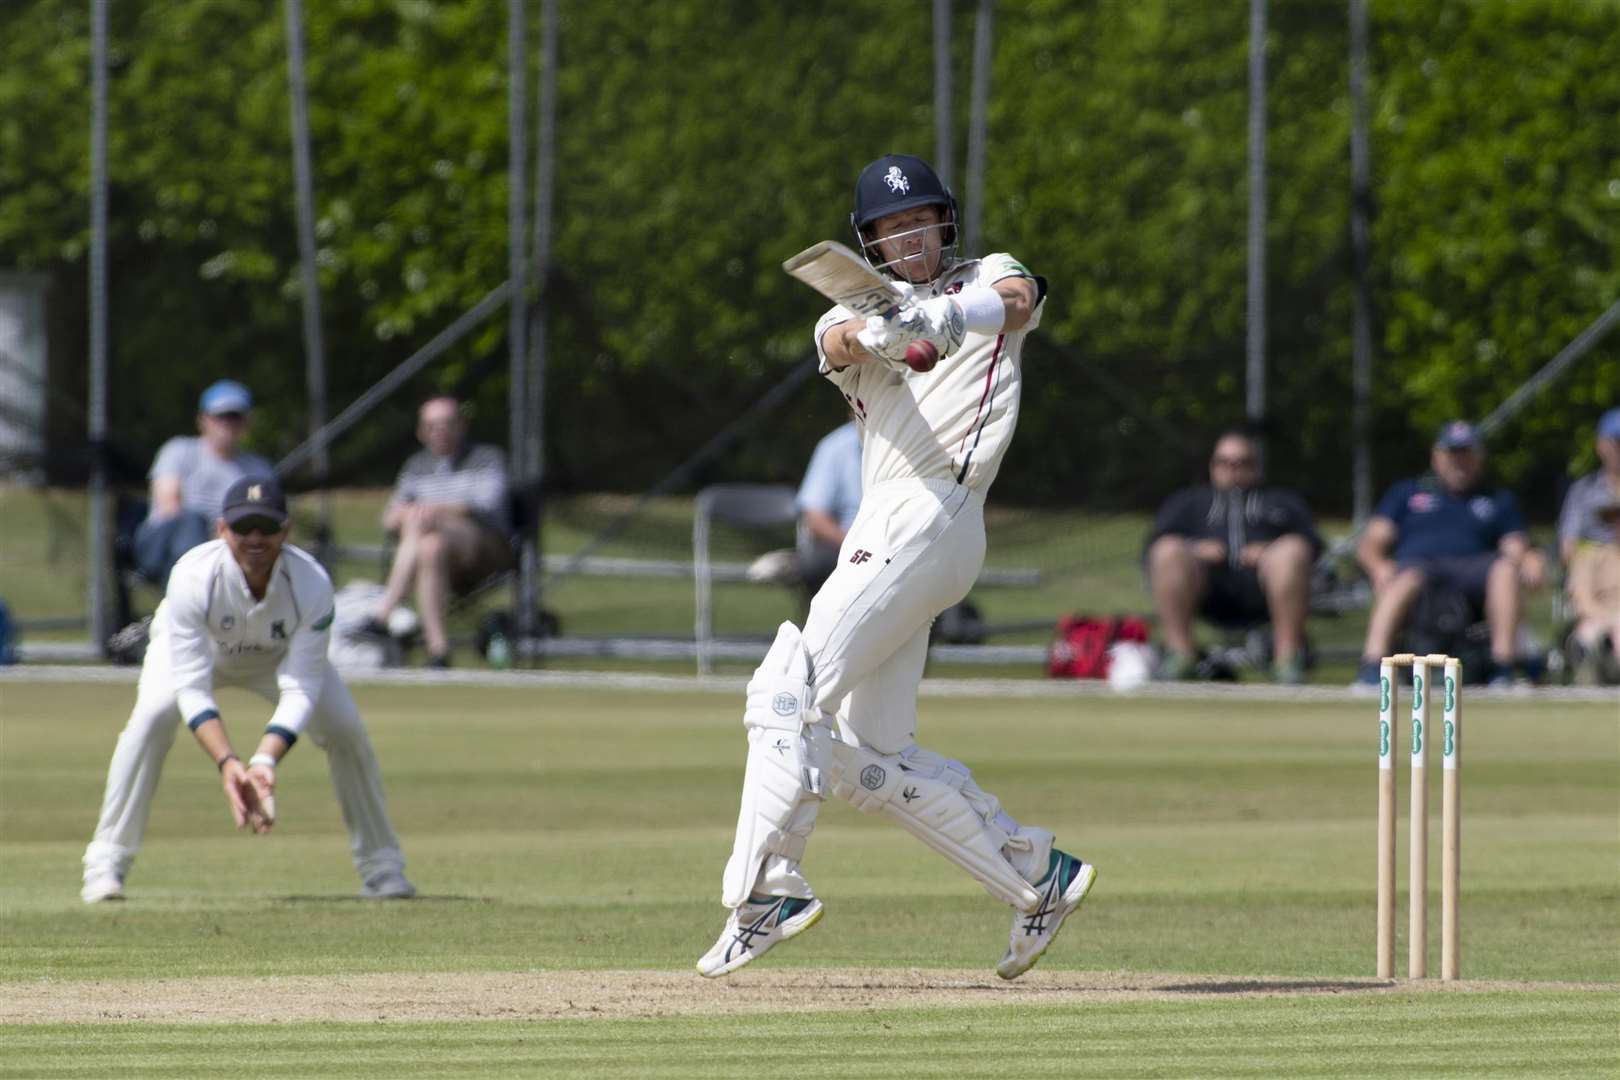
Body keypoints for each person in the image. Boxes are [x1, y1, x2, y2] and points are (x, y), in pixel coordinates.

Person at [698, 153, 1094, 982]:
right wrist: (883, 330)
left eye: (920, 223)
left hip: (935, 509)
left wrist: (955, 315)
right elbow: (839, 339)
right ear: (869, 243)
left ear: (945, 224)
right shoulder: (844, 315)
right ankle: (1034, 872)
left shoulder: (989, 275)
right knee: (868, 754)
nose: (908, 237)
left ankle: (768, 890)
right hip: (887, 521)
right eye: (890, 229)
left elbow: (1021, 300)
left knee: (784, 687)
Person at [81, 475, 414, 903]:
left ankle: (382, 867)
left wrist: (263, 761)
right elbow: (192, 686)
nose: (255, 539)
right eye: (243, 528)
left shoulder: (311, 583)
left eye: (266, 527)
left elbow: (301, 684)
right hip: (199, 652)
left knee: (346, 728)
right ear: (222, 530)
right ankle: (106, 863)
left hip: (276, 658)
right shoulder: (192, 578)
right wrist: (228, 764)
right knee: (152, 718)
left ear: (286, 530)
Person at [1354, 421, 1546, 687]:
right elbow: (1372, 541)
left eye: (1467, 453)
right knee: (1402, 579)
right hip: (1419, 568)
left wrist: (1529, 560)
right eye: (1452, 453)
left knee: (1504, 571)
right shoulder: (1406, 493)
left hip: (1476, 570)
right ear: (1437, 457)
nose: (1460, 462)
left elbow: (1515, 546)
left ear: (1479, 457)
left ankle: (1503, 666)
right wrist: (1378, 567)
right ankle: (1373, 666)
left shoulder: (1498, 499)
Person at [1143, 429, 1321, 684]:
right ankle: (1180, 655)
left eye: (1242, 463)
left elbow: (1313, 546)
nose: (1232, 469)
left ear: (1256, 466)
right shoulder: (1188, 502)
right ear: (1212, 465)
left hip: (1268, 590)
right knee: (1168, 549)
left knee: (1292, 550)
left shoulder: (1282, 501)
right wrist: (1194, 549)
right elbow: (1153, 546)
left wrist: (1272, 551)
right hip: (1204, 590)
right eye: (1224, 462)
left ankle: (1288, 658)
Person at [368, 396, 512, 668]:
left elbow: (486, 504)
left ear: (462, 426)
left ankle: (384, 612)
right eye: (432, 425)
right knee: (430, 546)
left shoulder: (487, 458)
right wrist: (411, 515)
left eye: (448, 423)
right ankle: (439, 651)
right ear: (421, 431)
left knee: (422, 520)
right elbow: (388, 518)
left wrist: (431, 511)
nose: (441, 431)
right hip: (431, 550)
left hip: (483, 549)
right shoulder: (416, 466)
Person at [133, 380, 272, 588]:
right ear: (202, 420)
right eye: (220, 416)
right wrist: (221, 537)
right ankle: (190, 592)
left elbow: (266, 519)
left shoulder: (259, 469)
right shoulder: (179, 450)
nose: (227, 424)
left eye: (235, 417)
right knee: (190, 522)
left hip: (232, 548)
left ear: (246, 422)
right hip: (165, 546)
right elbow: (169, 508)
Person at [1556, 408, 1620, 683]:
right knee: (1589, 638)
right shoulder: (1584, 491)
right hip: (1596, 591)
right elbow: (1568, 549)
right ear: (1602, 445)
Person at [794, 418, 863, 598]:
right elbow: (814, 518)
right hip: (843, 544)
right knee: (816, 564)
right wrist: (855, 545)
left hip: (896, 542)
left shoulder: (911, 442)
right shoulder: (835, 447)